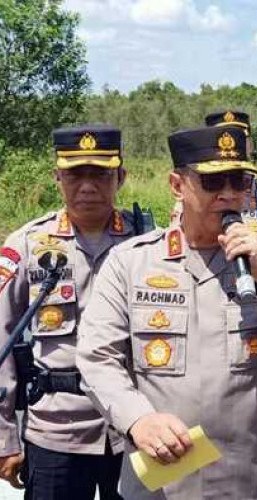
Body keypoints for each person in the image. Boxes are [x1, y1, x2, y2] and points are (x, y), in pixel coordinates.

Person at [75, 124, 257, 499]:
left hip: (250, 482)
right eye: (213, 183)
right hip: (161, 484)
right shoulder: (130, 263)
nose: (228, 195)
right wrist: (137, 420)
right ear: (177, 185)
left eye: (240, 182)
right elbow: (98, 358)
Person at [0, 125, 142, 499]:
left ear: (121, 177)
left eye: (101, 173)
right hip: (56, 428)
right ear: (57, 178)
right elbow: (1, 335)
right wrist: (5, 437)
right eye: (75, 174)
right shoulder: (28, 244)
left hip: (132, 427)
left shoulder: (146, 242)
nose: (88, 185)